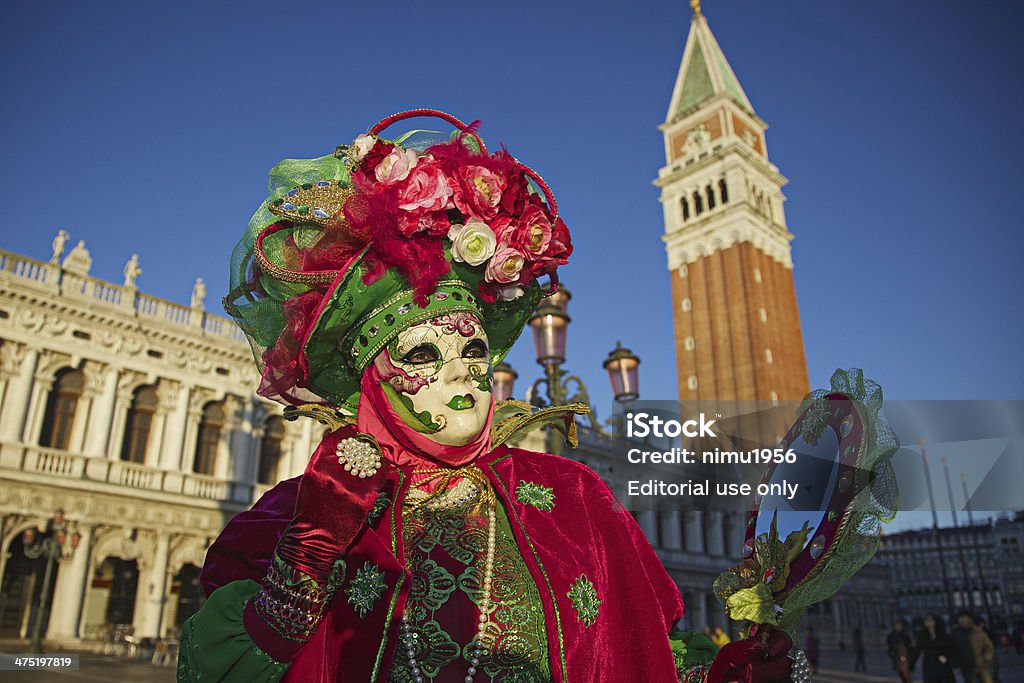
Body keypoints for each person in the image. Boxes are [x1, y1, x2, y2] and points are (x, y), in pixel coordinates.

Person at [175, 110, 797, 683]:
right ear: (373, 380)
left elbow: (638, 661)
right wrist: (305, 560)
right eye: (423, 355)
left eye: (475, 352)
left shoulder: (572, 499)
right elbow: (217, 669)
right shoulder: (297, 514)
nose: (463, 374)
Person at [954, 611, 994, 683]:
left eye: (964, 618)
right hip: (966, 667)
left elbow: (989, 648)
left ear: (970, 619)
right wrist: (956, 665)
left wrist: (985, 658)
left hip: (981, 666)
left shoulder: (979, 633)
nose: (962, 621)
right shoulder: (955, 635)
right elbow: (953, 651)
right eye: (960, 619)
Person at [917, 614, 956, 683]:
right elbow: (916, 649)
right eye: (926, 620)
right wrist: (910, 663)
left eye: (930, 620)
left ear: (935, 622)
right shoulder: (922, 634)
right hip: (929, 665)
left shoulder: (943, 634)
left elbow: (952, 648)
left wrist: (945, 656)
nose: (927, 622)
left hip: (942, 664)